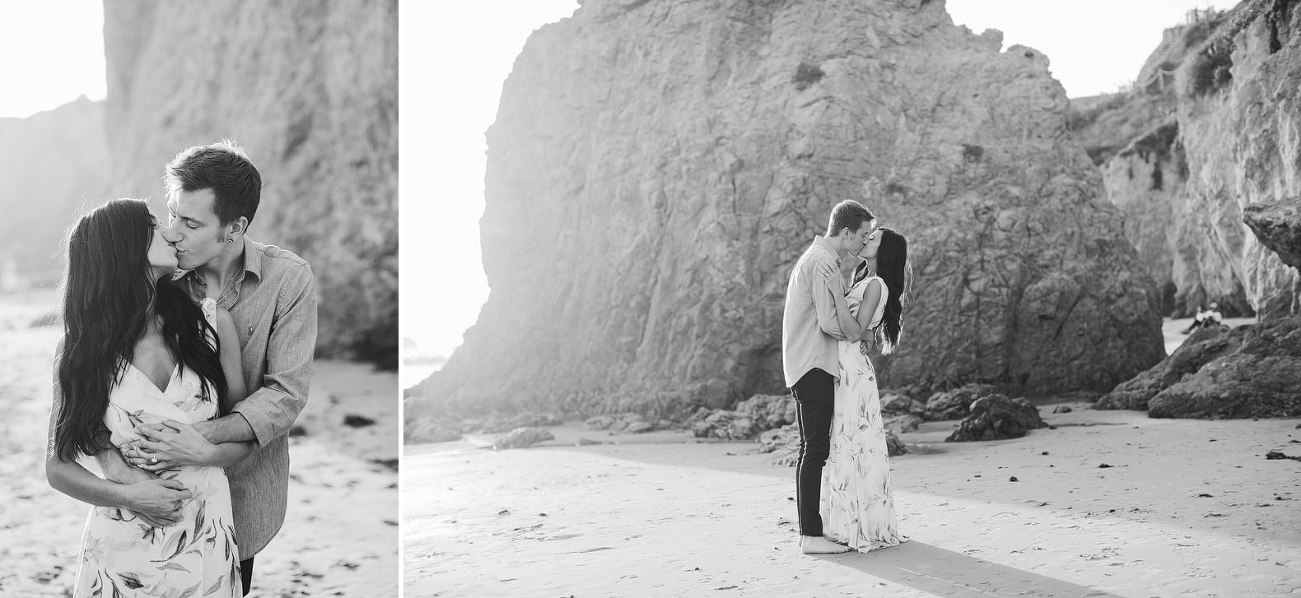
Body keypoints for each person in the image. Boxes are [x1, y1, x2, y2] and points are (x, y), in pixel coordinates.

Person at [91, 141, 318, 596]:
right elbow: (102, 390)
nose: (173, 233)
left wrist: (203, 442)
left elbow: (286, 393)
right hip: (149, 501)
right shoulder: (157, 277)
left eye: (191, 223)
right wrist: (123, 476)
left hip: (243, 487)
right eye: (172, 215)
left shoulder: (288, 279)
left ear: (234, 228)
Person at [45, 198, 252, 597]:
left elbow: (243, 435)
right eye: (154, 225)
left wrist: (202, 452)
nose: (170, 233)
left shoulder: (211, 324)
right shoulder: (81, 351)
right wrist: (130, 495)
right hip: (123, 546)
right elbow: (58, 468)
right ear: (123, 248)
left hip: (206, 532)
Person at [781, 199, 876, 555]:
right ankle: (811, 536)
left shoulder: (817, 257)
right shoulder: (822, 262)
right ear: (846, 232)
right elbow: (827, 322)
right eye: (862, 235)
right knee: (815, 449)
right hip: (814, 364)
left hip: (804, 363)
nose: (864, 242)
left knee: (811, 448)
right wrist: (856, 333)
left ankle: (811, 532)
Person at [821, 226, 910, 552]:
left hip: (853, 372)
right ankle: (844, 519)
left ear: (884, 251)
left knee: (854, 444)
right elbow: (862, 328)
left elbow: (856, 331)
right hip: (845, 366)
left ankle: (860, 525)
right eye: (867, 235)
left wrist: (834, 291)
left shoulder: (875, 284)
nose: (866, 239)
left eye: (873, 239)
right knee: (845, 443)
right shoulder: (863, 279)